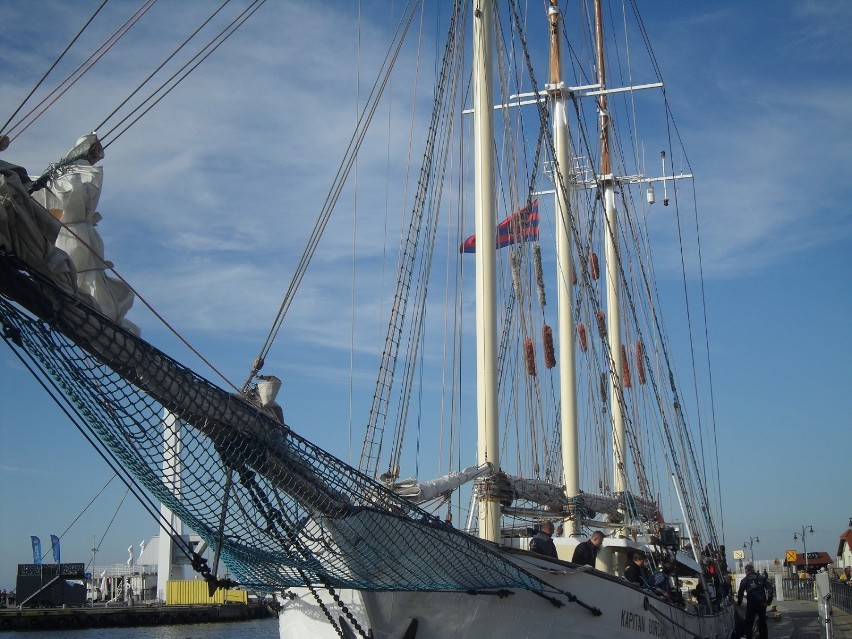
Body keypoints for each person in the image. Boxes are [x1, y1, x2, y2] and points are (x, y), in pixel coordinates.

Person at [737, 563, 772, 639]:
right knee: (762, 621)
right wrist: (769, 601)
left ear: (746, 571)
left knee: (748, 623)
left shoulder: (744, 580)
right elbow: (770, 589)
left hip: (752, 604)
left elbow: (740, 593)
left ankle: (749, 637)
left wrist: (739, 603)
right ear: (753, 570)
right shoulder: (761, 578)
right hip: (762, 603)